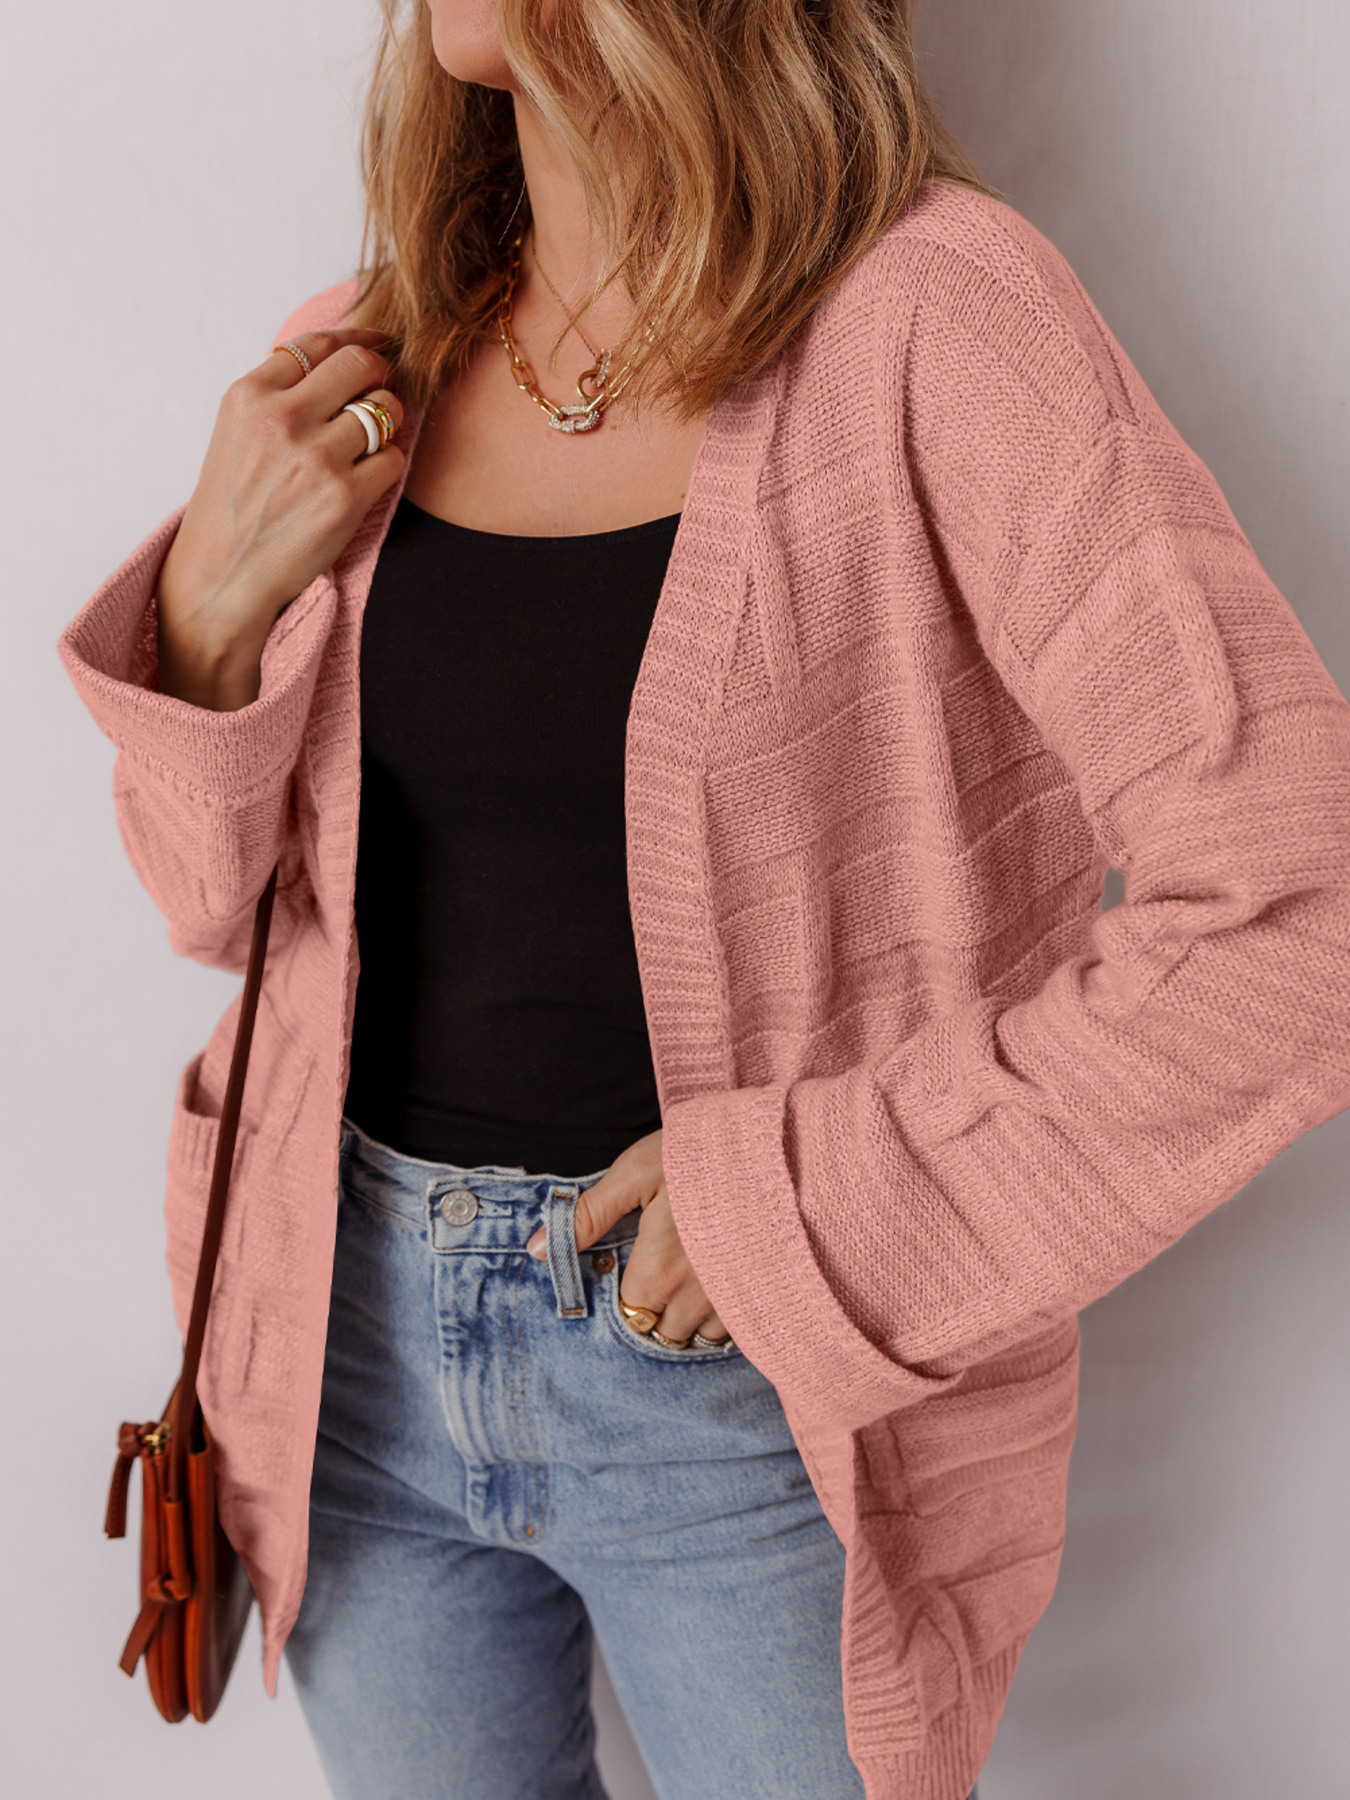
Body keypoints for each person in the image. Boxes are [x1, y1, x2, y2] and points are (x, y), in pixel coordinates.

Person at [58, 2, 1350, 1797]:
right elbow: (212, 910)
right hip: (342, 1358)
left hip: (750, 1395)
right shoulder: (368, 352)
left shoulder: (933, 318)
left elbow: (1298, 906)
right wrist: (206, 613)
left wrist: (810, 1200)